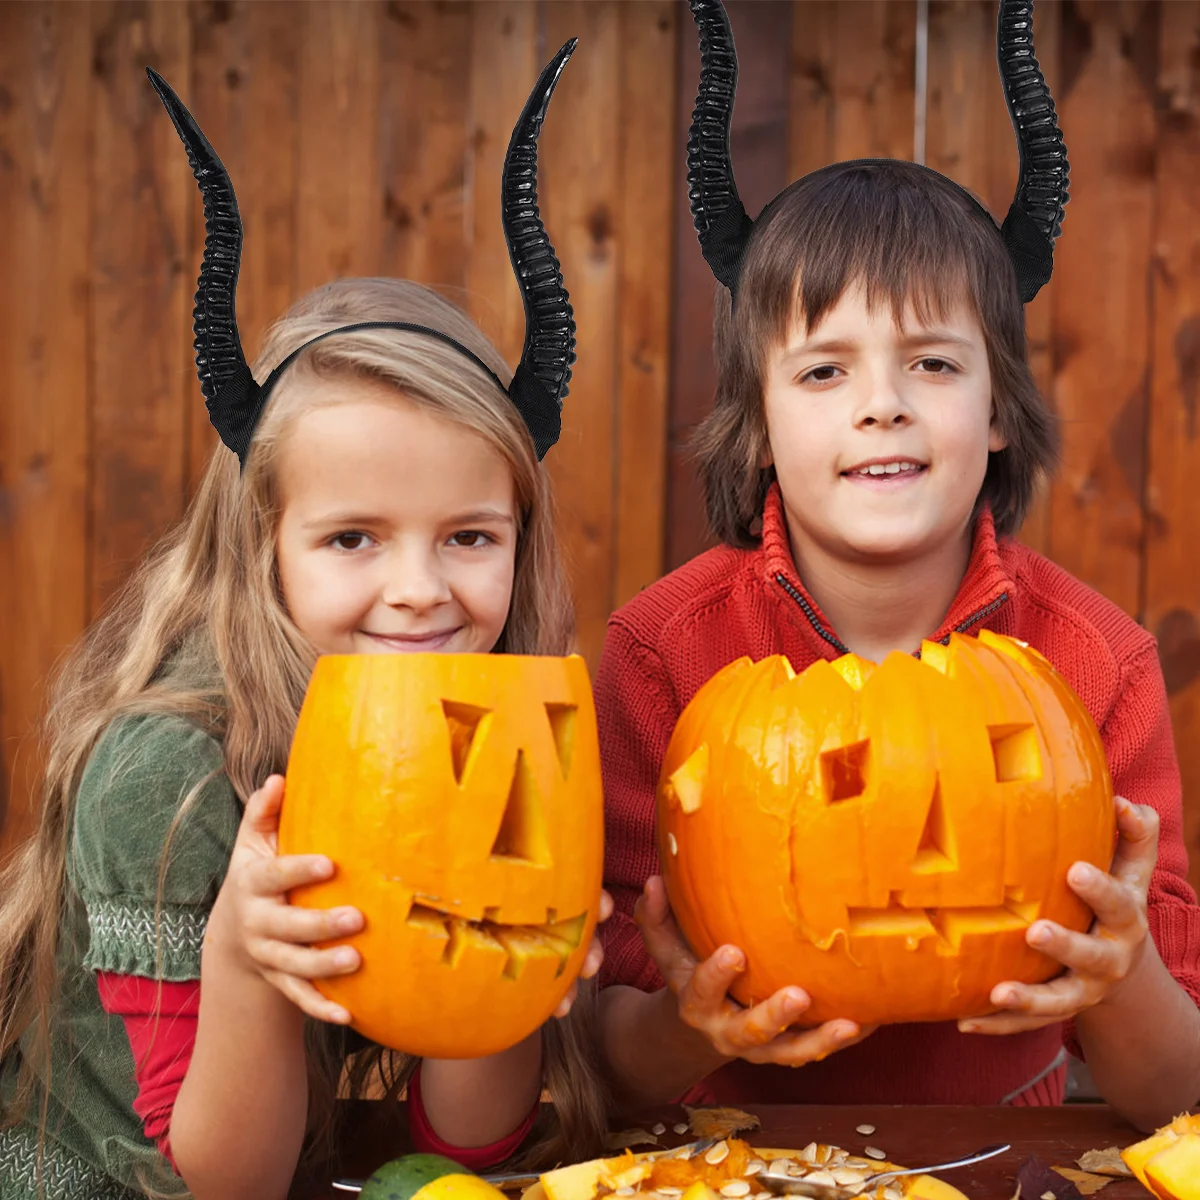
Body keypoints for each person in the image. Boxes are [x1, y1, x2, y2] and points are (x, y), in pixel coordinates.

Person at [0, 43, 611, 1200]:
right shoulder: (166, 776)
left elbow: (468, 1138)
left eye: (469, 536)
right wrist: (242, 954)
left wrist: (506, 963)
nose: (421, 590)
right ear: (261, 547)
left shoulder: (498, 748)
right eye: (352, 540)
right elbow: (221, 1185)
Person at [596, 0, 1200, 1131]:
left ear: (1000, 413)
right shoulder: (659, 653)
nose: (882, 406)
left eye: (931, 362)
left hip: (1002, 1157)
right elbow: (598, 1057)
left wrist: (1121, 979)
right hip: (716, 1158)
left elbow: (1181, 1096)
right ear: (759, 421)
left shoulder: (1098, 664)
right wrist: (692, 1021)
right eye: (824, 373)